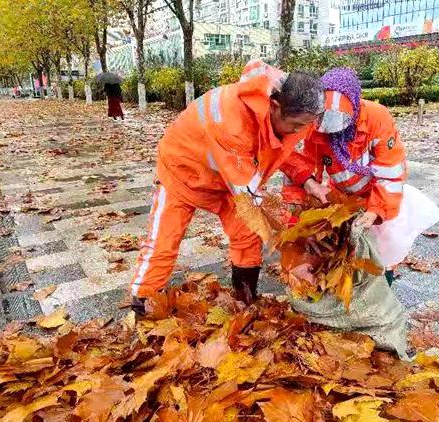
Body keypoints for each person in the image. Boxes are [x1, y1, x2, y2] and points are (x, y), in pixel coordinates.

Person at [129, 60, 324, 308]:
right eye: (296, 125)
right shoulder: (233, 123)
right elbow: (250, 199)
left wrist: (307, 179)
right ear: (275, 107)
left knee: (248, 235)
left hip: (233, 177)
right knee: (164, 241)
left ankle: (245, 298)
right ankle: (143, 303)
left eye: (304, 126)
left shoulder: (293, 106)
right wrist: (296, 237)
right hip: (183, 172)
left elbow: (280, 148)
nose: (300, 131)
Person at [280, 67, 409, 287]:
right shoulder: (314, 126)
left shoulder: (377, 119)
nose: (332, 133)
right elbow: (302, 172)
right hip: (341, 194)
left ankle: (382, 289)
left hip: (377, 194)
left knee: (382, 247)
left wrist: (375, 211)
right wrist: (299, 224)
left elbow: (390, 173)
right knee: (339, 249)